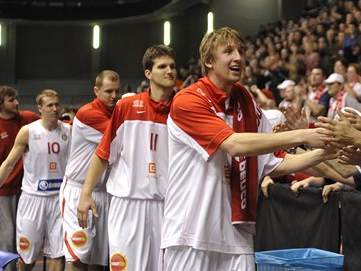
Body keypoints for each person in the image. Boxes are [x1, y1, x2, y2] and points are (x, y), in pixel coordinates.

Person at [162, 27, 334, 270]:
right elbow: (234, 144)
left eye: (241, 51)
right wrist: (304, 134)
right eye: (229, 51)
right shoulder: (188, 100)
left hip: (238, 235)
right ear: (209, 61)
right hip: (191, 234)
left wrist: (326, 151)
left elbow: (276, 161)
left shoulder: (246, 101)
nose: (239, 58)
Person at [77, 45, 176, 270]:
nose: (170, 71)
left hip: (167, 206)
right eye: (162, 66)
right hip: (128, 203)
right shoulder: (127, 107)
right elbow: (103, 154)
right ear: (148, 74)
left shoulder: (181, 109)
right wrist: (86, 193)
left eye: (172, 66)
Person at [0, 89, 70, 270]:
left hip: (59, 200)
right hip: (32, 200)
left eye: (57, 104)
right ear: (40, 109)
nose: (55, 109)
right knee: (27, 258)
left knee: (59, 254)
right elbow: (8, 164)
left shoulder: (70, 131)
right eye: (50, 105)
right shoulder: (27, 131)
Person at [61, 70, 121, 270]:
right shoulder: (89, 113)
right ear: (96, 90)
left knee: (99, 259)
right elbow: (124, 138)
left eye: (117, 91)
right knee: (78, 257)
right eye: (108, 91)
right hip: (79, 191)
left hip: (105, 193)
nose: (114, 96)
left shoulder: (117, 113)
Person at [0, 86, 40, 269]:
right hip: (1, 191)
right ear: (0, 104)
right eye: (11, 100)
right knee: (6, 236)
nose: (16, 103)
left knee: (24, 236)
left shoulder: (27, 118)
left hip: (25, 190)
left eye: (16, 98)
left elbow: (50, 124)